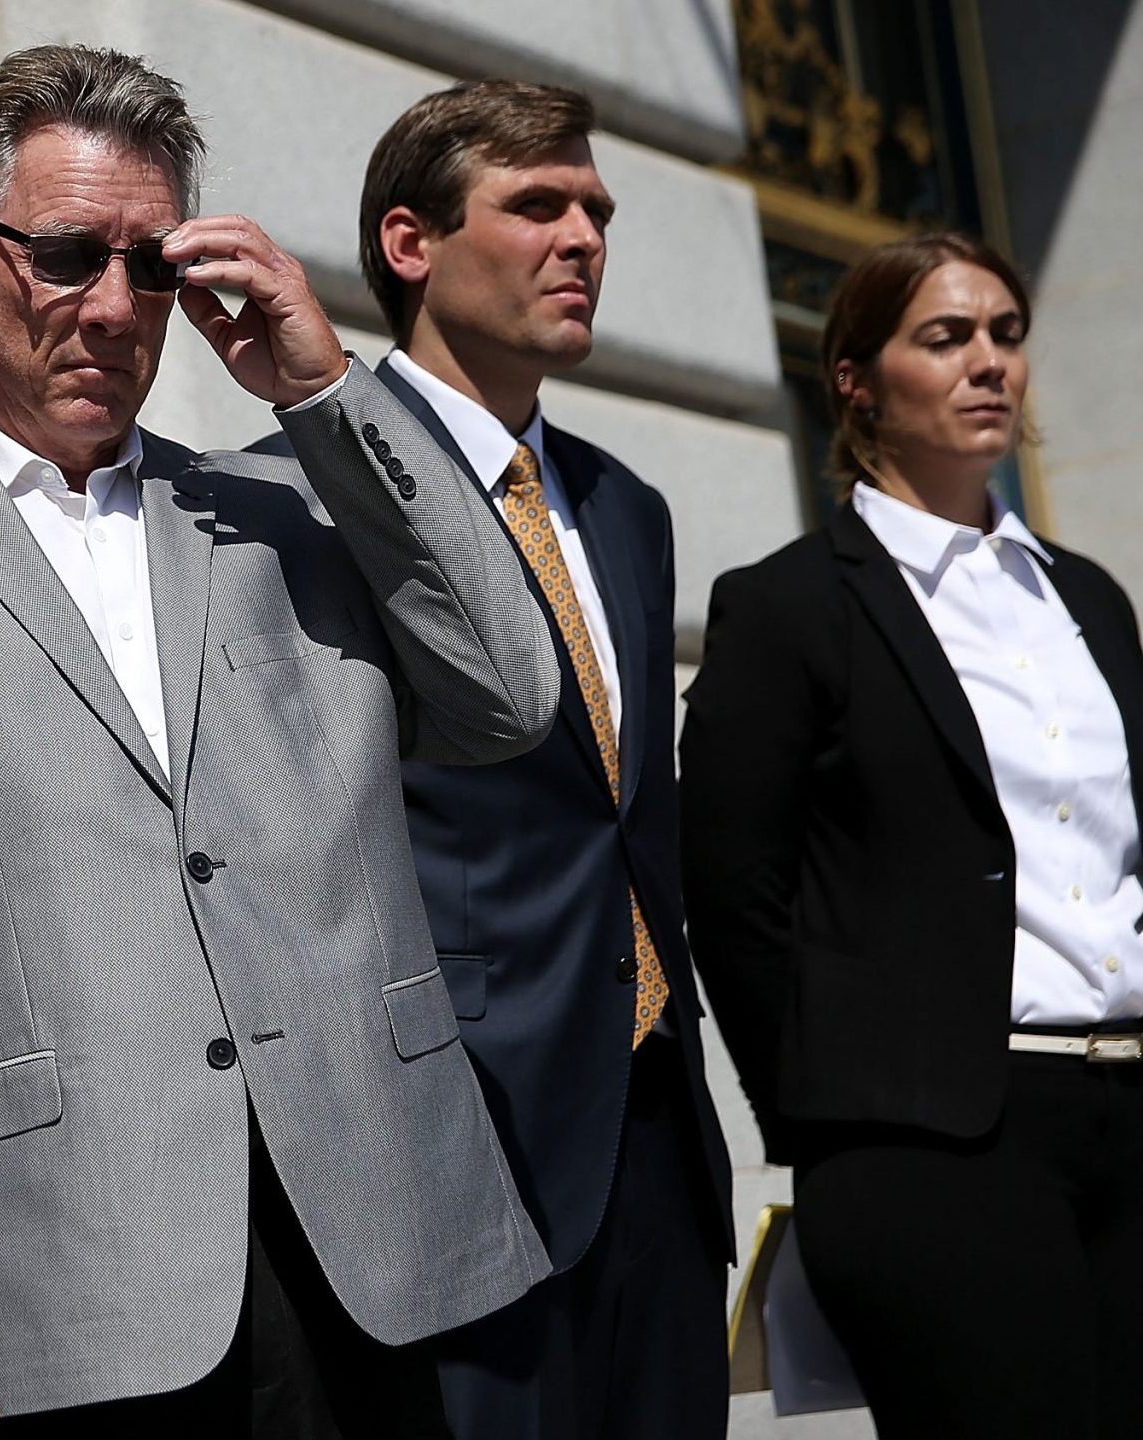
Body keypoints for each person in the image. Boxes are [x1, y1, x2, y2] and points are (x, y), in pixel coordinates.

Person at [0, 44, 560, 1436]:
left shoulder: (293, 500)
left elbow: (511, 691)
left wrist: (327, 388)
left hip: (376, 1246)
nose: (114, 308)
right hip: (57, 1287)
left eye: (151, 266)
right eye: (65, 256)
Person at [254, 80, 732, 1439]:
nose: (582, 237)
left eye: (595, 210)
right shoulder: (289, 502)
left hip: (655, 1140)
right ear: (410, 244)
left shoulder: (624, 507)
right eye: (537, 206)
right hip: (451, 1145)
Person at [682, 232, 1140, 1440]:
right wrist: (834, 1122)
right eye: (945, 338)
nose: (988, 362)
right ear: (854, 378)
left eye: (1005, 333)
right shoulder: (787, 606)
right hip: (934, 1150)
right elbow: (735, 891)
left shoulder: (1087, 595)